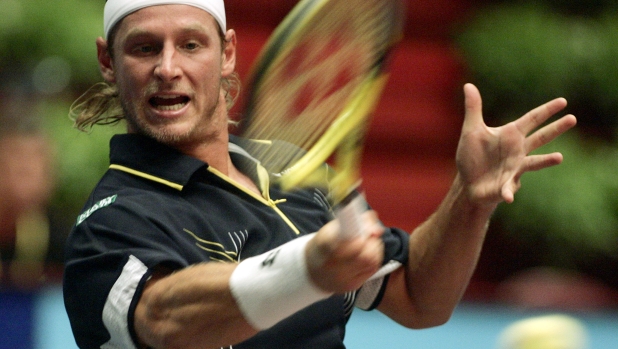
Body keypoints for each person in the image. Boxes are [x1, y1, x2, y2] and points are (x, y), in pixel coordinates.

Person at [62, 1, 578, 349]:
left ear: (228, 54)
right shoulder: (111, 221)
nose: (168, 68)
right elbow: (163, 319)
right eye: (145, 47)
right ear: (109, 62)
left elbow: (418, 297)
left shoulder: (293, 169)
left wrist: (469, 198)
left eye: (191, 45)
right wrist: (306, 268)